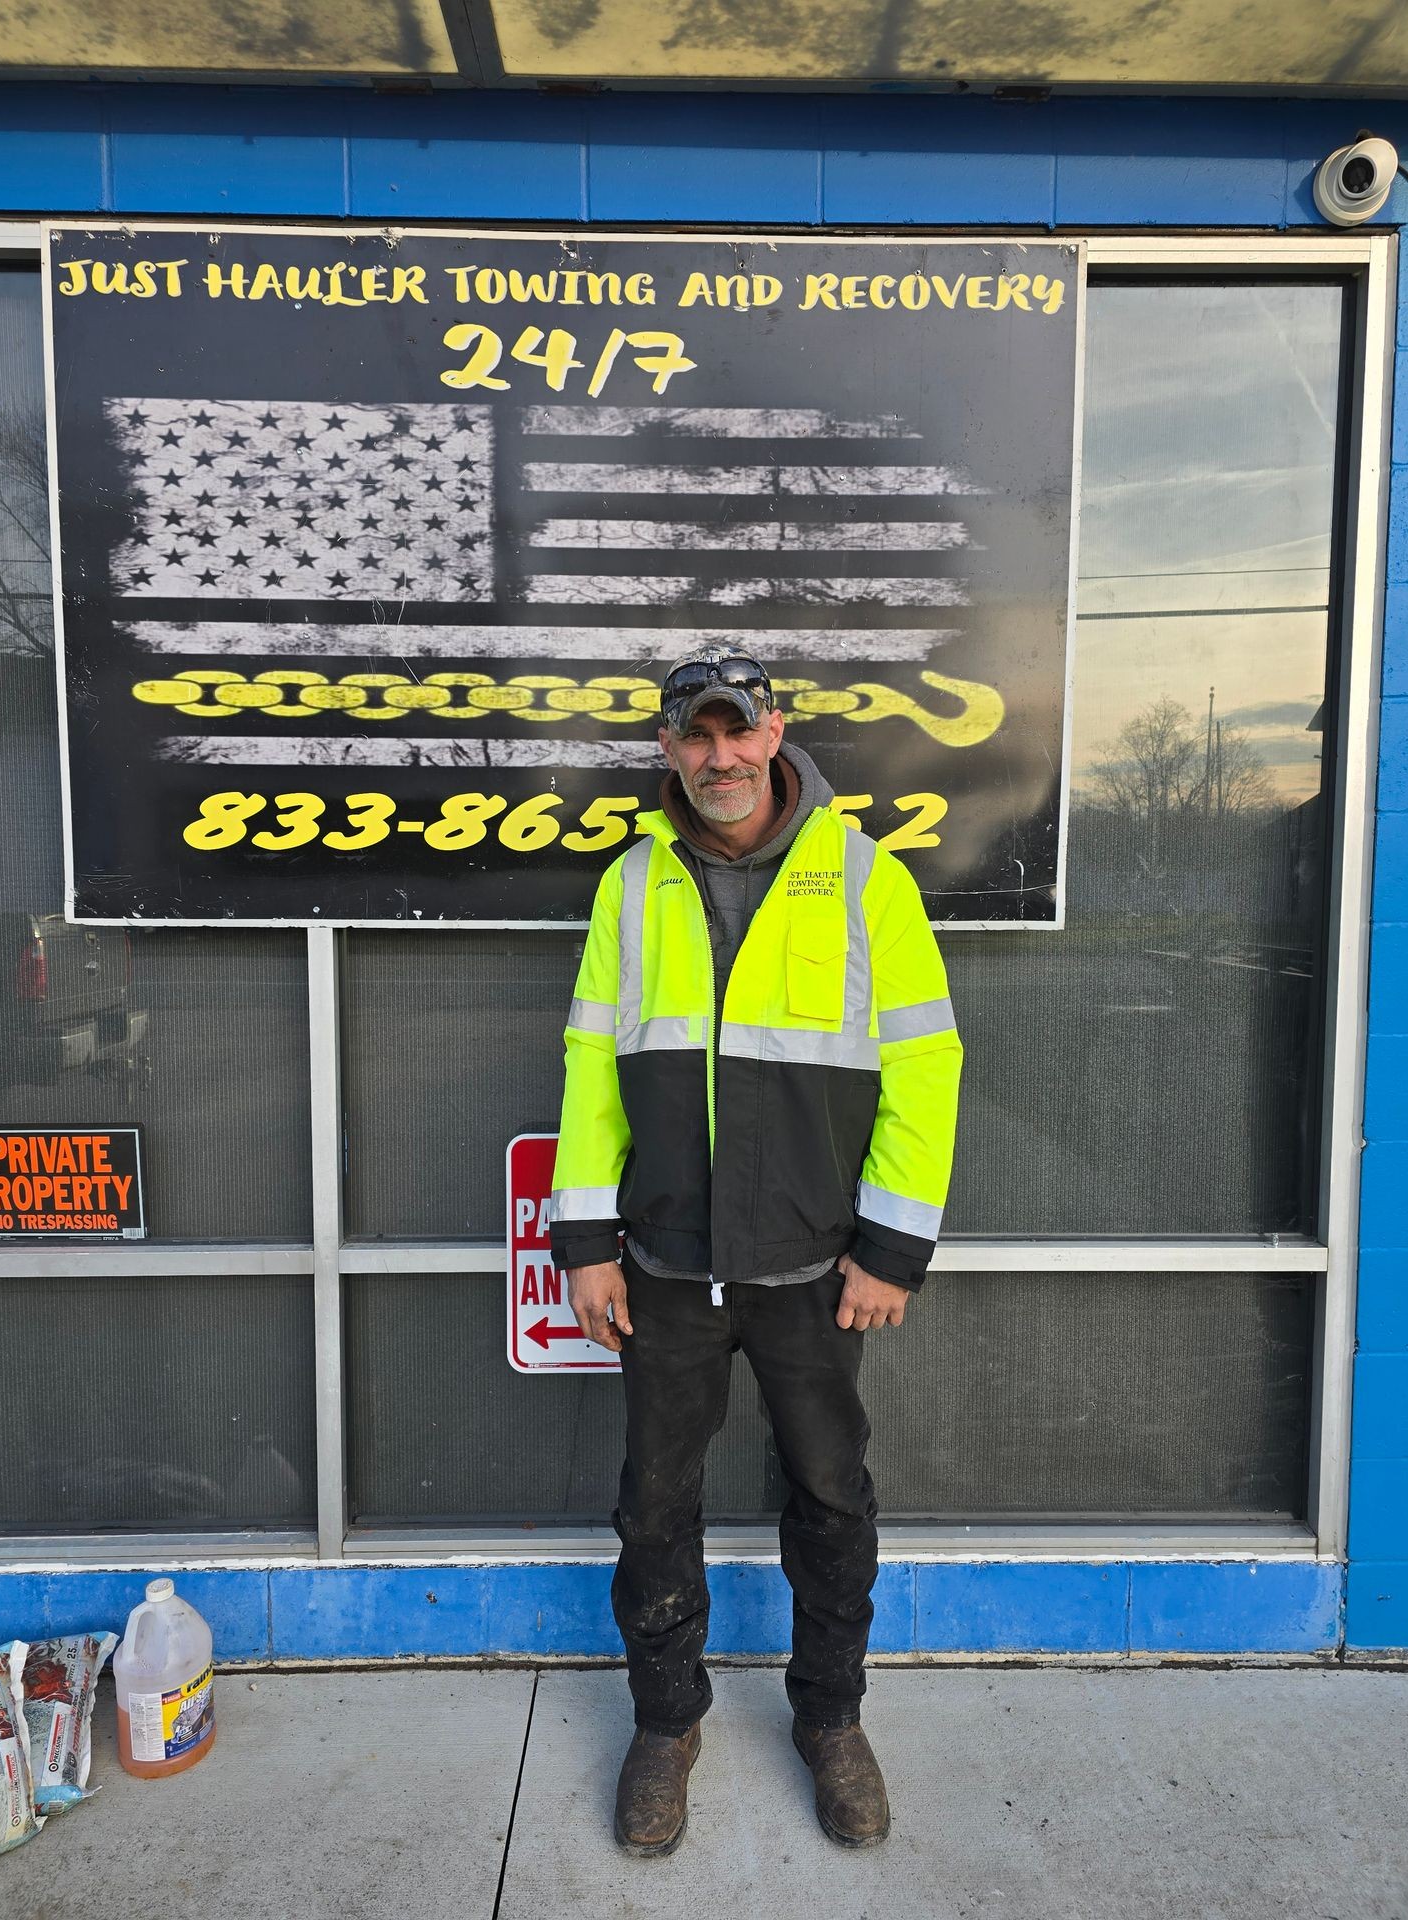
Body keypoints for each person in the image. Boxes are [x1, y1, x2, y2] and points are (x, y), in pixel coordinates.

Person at [549, 642, 963, 1856]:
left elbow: (925, 1064)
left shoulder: (865, 877)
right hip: (667, 1267)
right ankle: (665, 1726)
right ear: (667, 749)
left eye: (738, 731)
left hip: (814, 1271)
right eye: (695, 736)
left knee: (833, 1502)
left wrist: (891, 1246)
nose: (718, 757)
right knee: (653, 1510)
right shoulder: (631, 885)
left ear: (774, 732)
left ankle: (830, 1721)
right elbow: (589, 1067)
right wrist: (586, 1239)